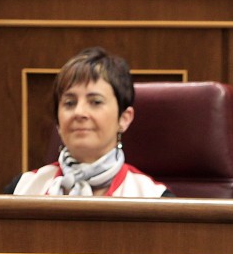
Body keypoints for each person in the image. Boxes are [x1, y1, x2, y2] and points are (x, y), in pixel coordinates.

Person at [12, 47, 172, 197]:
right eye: (69, 103)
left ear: (124, 118)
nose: (79, 113)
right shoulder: (21, 189)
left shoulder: (154, 198)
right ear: (58, 123)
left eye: (95, 102)